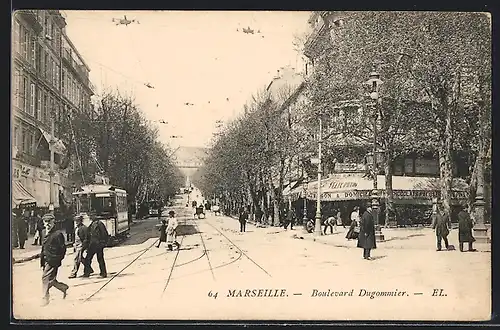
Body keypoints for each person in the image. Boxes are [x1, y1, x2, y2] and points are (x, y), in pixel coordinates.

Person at [40, 213, 68, 306]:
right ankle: (63, 287)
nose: (47, 224)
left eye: (49, 222)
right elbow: (44, 246)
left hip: (53, 260)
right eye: (45, 222)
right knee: (50, 280)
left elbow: (63, 249)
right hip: (45, 259)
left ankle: (45, 298)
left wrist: (57, 259)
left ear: (53, 222)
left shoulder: (58, 234)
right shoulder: (43, 232)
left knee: (45, 278)